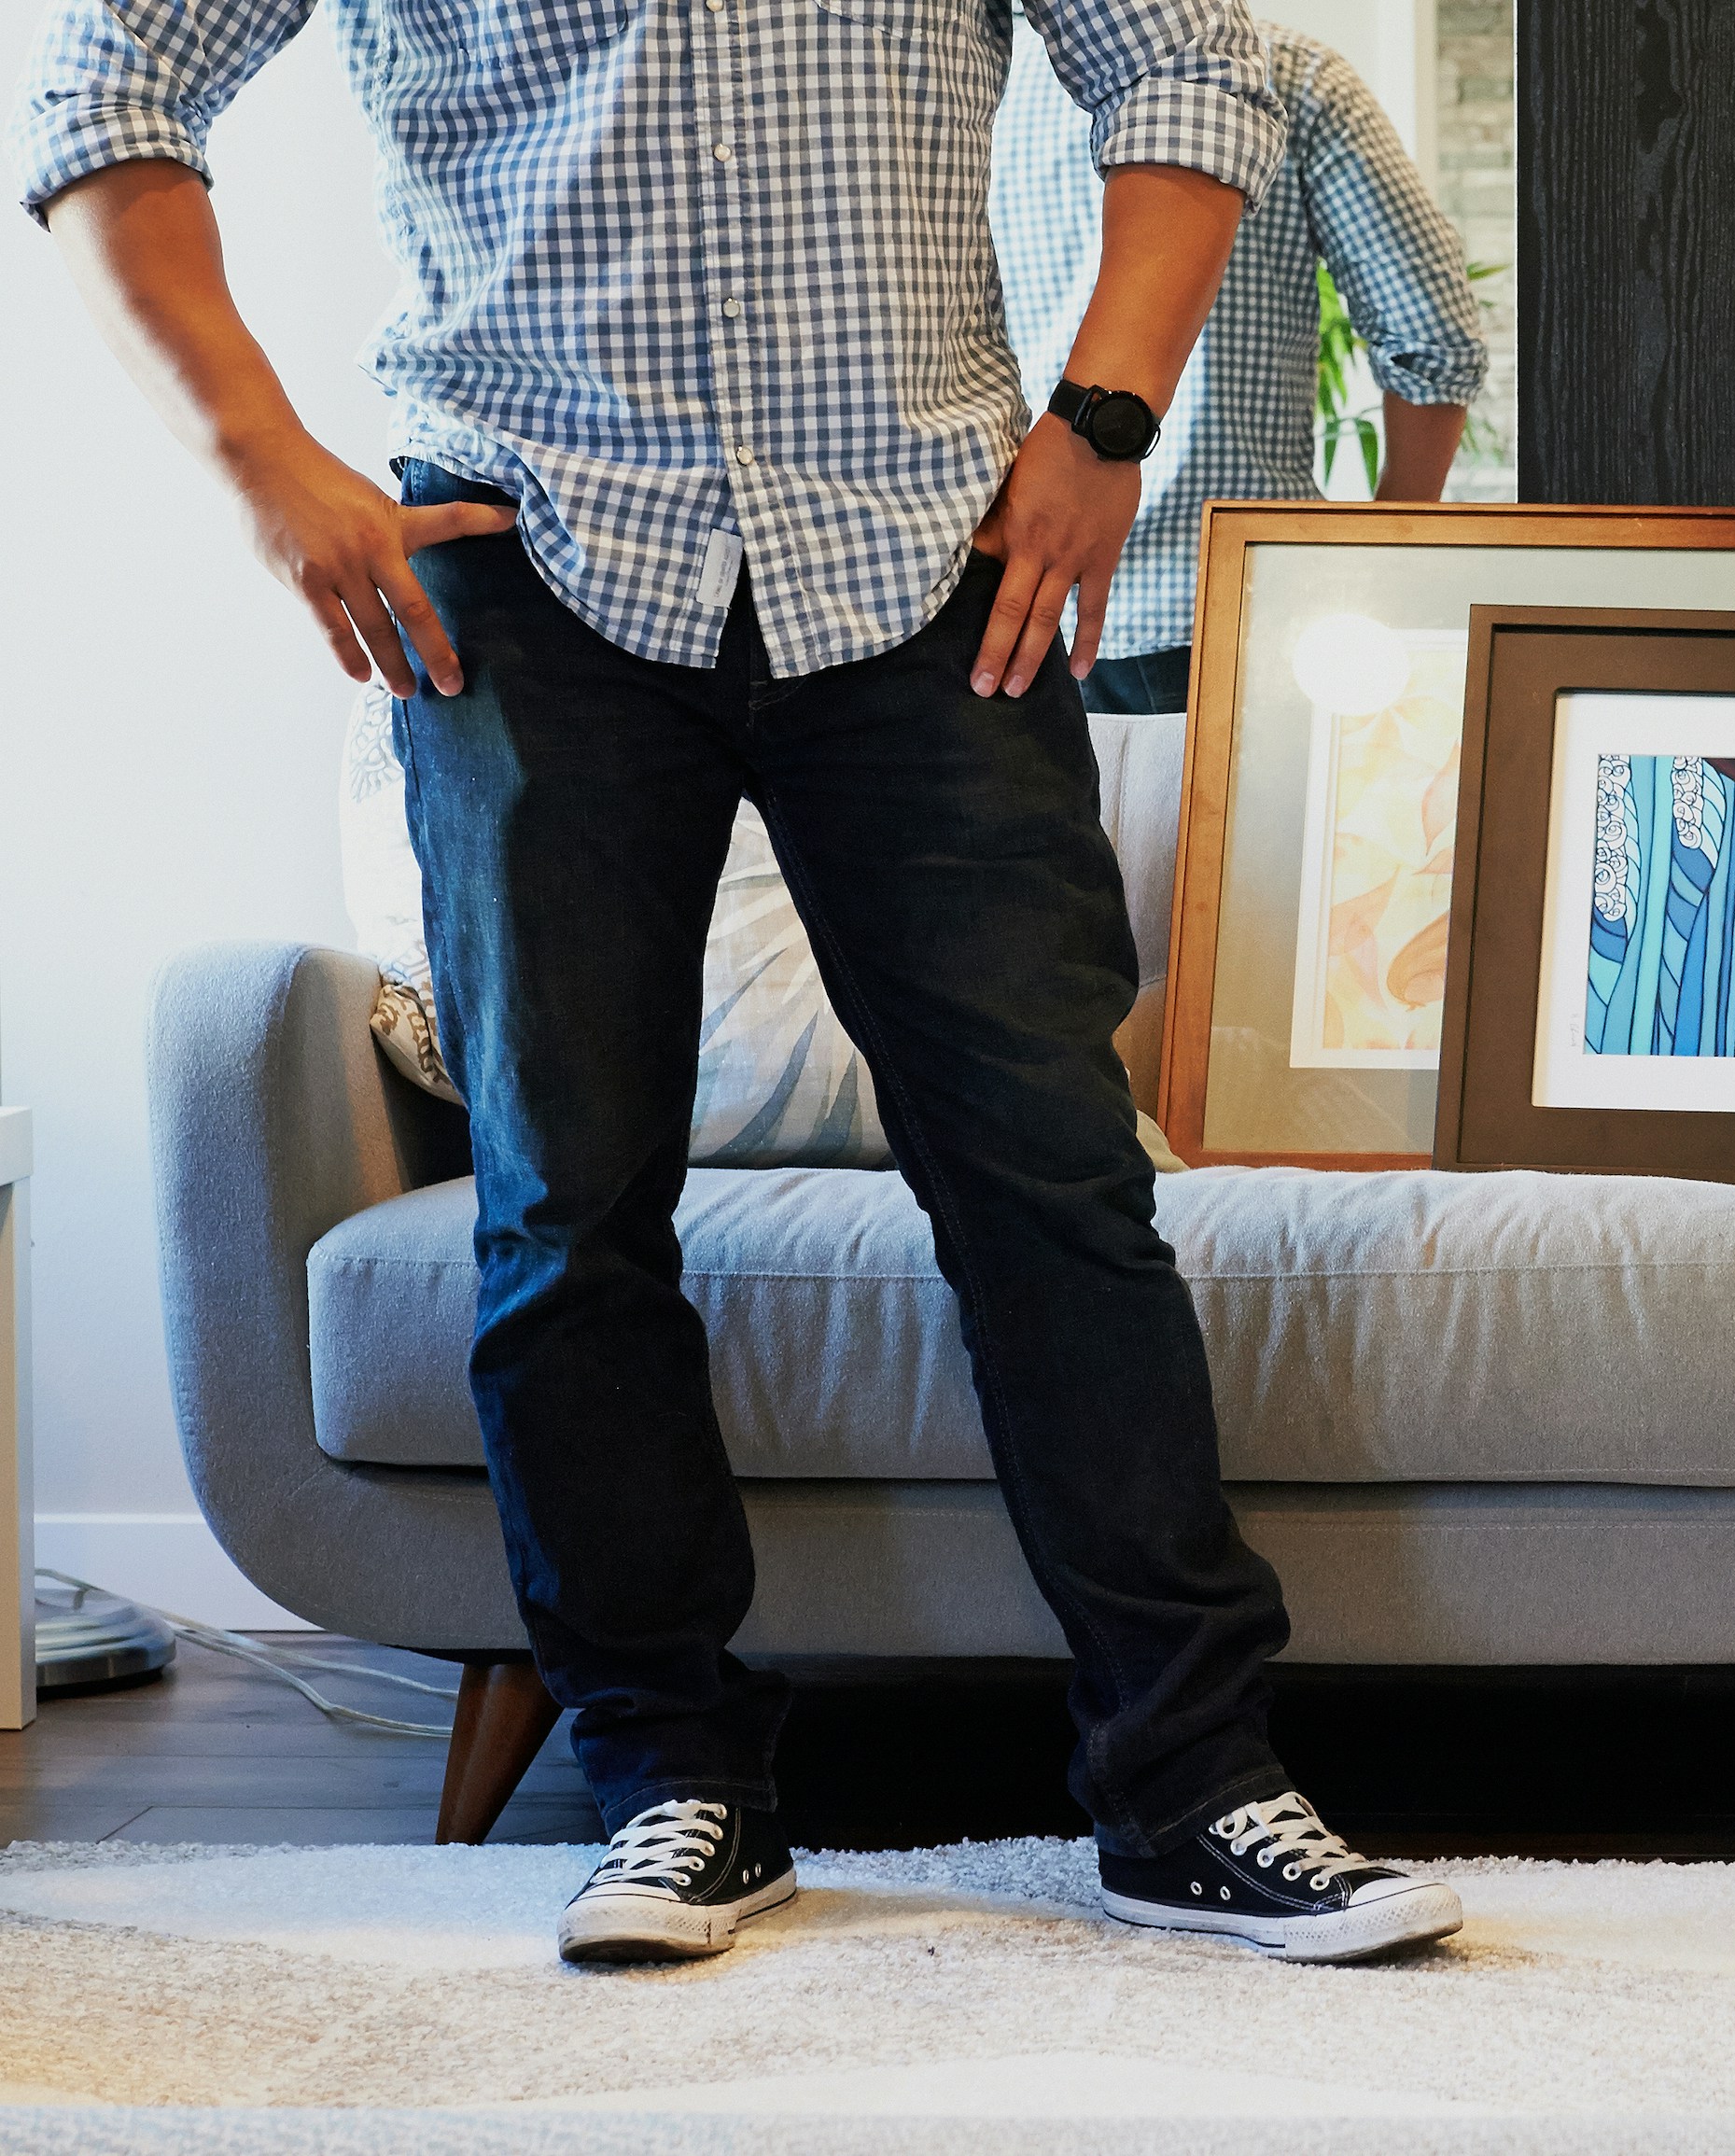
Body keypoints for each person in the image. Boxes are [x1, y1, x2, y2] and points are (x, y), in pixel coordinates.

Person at [15, 0, 1463, 1967]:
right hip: (527, 569)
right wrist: (258, 455)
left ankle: (1193, 1783)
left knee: (1054, 1192)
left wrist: (1106, 420)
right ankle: (670, 1774)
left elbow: (1190, 63)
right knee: (566, 1211)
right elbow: (109, 87)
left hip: (932, 557)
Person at [993, 13, 1487, 715]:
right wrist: (1386, 569)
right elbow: (1432, 336)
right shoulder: (1290, 75)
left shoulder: (963, 87)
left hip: (1015, 611)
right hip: (1242, 604)